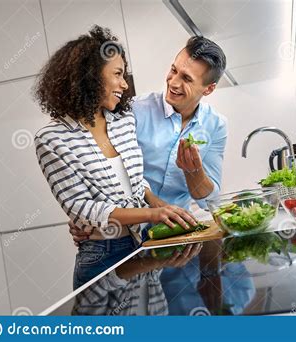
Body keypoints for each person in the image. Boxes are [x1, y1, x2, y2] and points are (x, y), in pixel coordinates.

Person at [34, 25, 200, 291]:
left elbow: (134, 182)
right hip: (104, 254)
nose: (125, 84)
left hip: (144, 241)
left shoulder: (123, 120)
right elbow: (81, 208)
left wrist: (162, 207)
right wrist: (154, 213)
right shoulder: (52, 139)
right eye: (118, 74)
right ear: (90, 76)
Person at [70, 35, 229, 313]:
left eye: (187, 79)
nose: (174, 82)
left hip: (175, 241)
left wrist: (194, 172)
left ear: (209, 88)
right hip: (125, 241)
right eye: (173, 70)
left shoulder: (215, 126)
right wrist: (87, 214)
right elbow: (101, 168)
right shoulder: (135, 110)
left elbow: (207, 196)